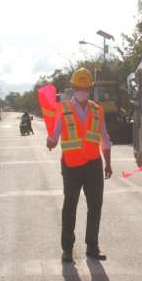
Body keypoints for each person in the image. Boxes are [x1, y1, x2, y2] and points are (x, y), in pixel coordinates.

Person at [47, 68, 112, 263]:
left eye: (85, 87)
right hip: (72, 165)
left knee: (95, 206)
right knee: (70, 206)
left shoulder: (97, 109)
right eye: (78, 87)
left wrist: (107, 162)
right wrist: (50, 141)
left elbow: (105, 137)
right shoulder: (63, 108)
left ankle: (92, 246)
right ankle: (67, 249)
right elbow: (54, 137)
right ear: (73, 88)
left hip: (93, 164)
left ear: (89, 89)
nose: (82, 91)